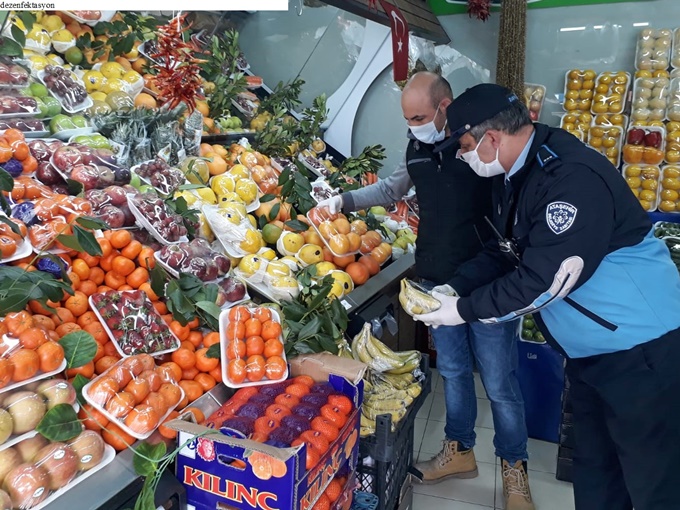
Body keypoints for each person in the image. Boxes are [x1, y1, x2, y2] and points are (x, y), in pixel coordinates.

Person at [415, 82, 680, 510]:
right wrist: (457, 286)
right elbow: (505, 250)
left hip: (641, 351)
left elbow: (545, 279)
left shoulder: (569, 177)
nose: (464, 158)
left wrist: (463, 310)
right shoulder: (517, 173)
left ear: (492, 138)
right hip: (591, 352)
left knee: (653, 480)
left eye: (464, 147)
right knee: (596, 471)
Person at [317, 72, 535, 510]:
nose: (413, 125)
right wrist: (341, 201)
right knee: (452, 371)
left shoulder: (481, 148)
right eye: (407, 118)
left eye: (419, 116)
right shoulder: (417, 148)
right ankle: (460, 450)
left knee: (498, 380)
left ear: (445, 106)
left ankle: (515, 469)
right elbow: (392, 188)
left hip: (489, 280)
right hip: (436, 277)